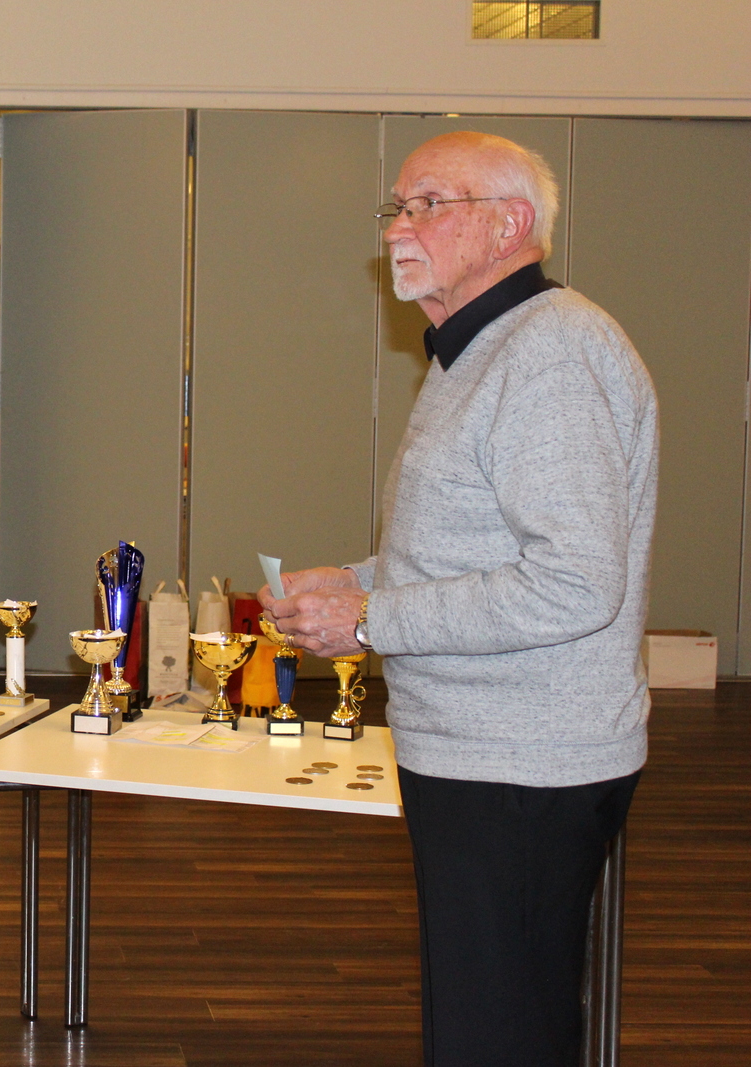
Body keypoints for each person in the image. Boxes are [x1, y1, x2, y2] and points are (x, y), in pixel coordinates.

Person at [260, 132, 657, 1067]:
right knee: (485, 1023)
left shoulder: (551, 353)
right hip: (486, 755)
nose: (399, 228)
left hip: (524, 764)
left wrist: (371, 619)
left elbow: (574, 581)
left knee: (498, 1035)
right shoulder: (477, 351)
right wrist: (358, 581)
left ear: (510, 226)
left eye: (430, 205)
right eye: (396, 208)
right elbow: (470, 542)